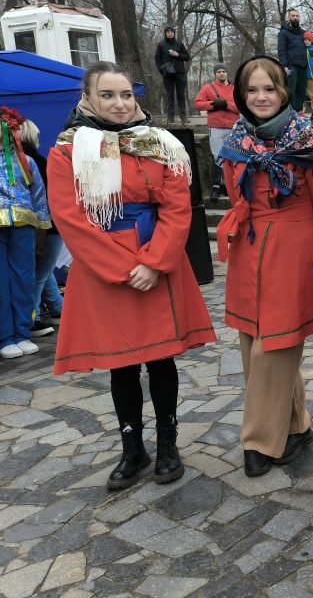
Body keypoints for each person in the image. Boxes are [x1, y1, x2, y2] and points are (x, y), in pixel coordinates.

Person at [47, 62, 216, 489]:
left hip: (157, 264)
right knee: (120, 366)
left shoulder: (161, 145)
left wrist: (154, 262)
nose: (120, 104)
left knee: (161, 359)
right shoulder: (68, 150)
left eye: (126, 94)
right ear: (87, 97)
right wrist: (123, 268)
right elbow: (70, 218)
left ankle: (167, 446)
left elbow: (178, 208)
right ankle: (132, 450)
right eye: (108, 95)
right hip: (105, 270)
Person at [217, 55, 313, 478]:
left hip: (295, 248)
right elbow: (236, 198)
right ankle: (296, 424)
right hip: (250, 248)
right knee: (252, 342)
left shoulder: (308, 141)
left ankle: (259, 441)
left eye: (269, 88)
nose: (261, 97)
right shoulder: (234, 144)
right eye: (252, 90)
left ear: (284, 92)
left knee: (276, 344)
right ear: (241, 95)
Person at [0, 107, 51, 359]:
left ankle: (22, 332)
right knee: (2, 282)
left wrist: (42, 227)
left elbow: (39, 195)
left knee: (24, 279)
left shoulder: (26, 162)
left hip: (23, 226)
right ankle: (5, 337)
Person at [18, 119, 63, 337]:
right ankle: (31, 317)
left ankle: (57, 308)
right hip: (48, 225)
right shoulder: (35, 161)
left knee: (44, 269)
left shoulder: (20, 159)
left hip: (32, 225)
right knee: (41, 271)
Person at [193, 62, 239, 201]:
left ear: (227, 73)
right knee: (218, 157)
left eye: (223, 71)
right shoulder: (208, 88)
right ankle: (216, 186)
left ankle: (232, 186)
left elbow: (240, 107)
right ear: (215, 74)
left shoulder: (234, 89)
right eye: (218, 72)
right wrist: (213, 105)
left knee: (234, 157)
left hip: (233, 127)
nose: (221, 74)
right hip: (217, 127)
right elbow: (197, 104)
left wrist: (226, 104)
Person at [154, 26, 191, 123]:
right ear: (165, 33)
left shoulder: (179, 44)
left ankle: (183, 117)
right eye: (168, 32)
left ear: (174, 33)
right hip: (167, 74)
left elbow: (187, 57)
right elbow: (157, 58)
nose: (170, 33)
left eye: (171, 32)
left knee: (181, 95)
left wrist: (177, 55)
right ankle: (170, 117)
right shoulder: (161, 45)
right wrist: (161, 70)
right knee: (169, 95)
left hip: (179, 73)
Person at [277, 9, 309, 112]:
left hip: (303, 65)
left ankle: (299, 110)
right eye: (293, 16)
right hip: (291, 65)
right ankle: (291, 111)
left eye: (297, 16)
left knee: (302, 90)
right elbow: (281, 50)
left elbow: (312, 43)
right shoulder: (283, 33)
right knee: (291, 89)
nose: (295, 17)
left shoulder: (303, 33)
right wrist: (284, 65)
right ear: (289, 18)